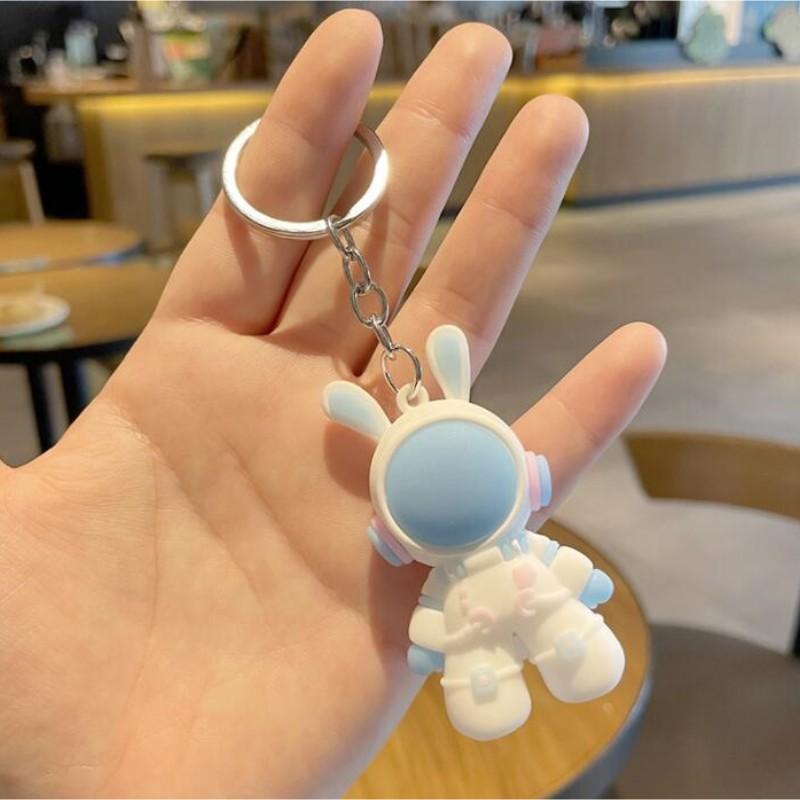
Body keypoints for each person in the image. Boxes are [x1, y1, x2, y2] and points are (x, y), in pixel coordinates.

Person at [0, 10, 666, 797]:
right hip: (480, 617)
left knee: (562, 631)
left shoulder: (452, 534)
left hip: (506, 594)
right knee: (494, 663)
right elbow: (438, 598)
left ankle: (555, 647)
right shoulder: (436, 531)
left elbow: (474, 574)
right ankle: (502, 670)